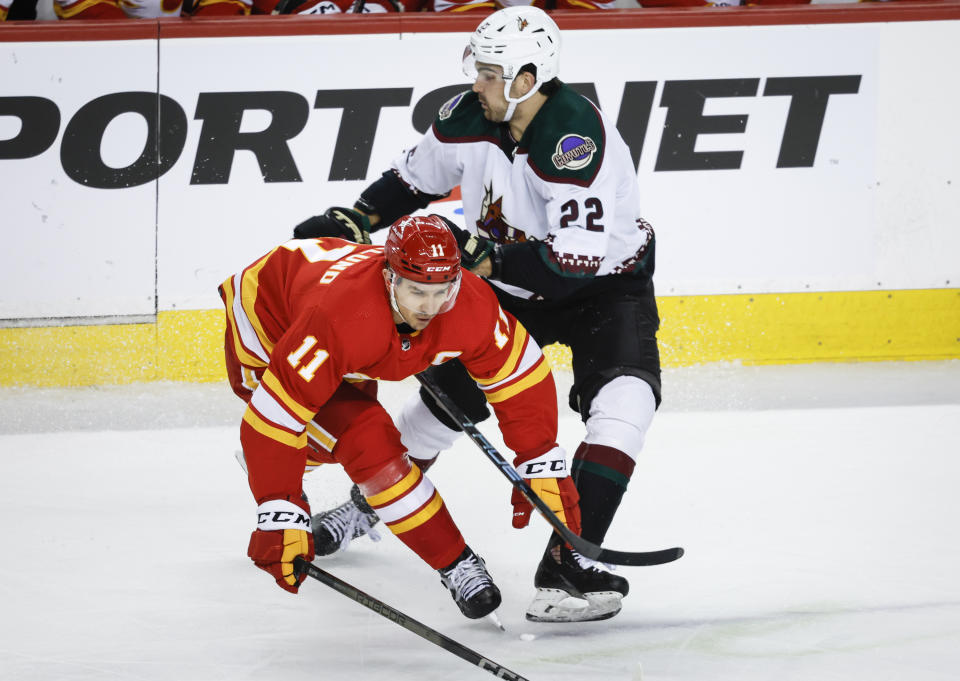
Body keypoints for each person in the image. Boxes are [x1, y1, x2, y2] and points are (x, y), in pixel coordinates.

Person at [295, 5, 662, 623]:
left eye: (491, 74)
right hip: (513, 286)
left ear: (527, 78)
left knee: (626, 403)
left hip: (604, 287)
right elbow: (413, 181)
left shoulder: (577, 142)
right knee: (445, 401)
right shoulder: (469, 116)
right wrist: (354, 217)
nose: (478, 83)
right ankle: (369, 504)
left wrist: (484, 258)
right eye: (480, 69)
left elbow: (569, 265)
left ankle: (569, 563)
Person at [220, 214, 581, 620]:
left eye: (442, 291)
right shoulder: (340, 318)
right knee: (367, 441)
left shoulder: (468, 303)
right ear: (389, 277)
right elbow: (276, 417)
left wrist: (540, 457)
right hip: (268, 332)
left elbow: (519, 372)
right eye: (416, 292)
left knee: (361, 437)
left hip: (335, 326)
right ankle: (456, 562)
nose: (429, 308)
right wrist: (279, 509)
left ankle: (292, 458)